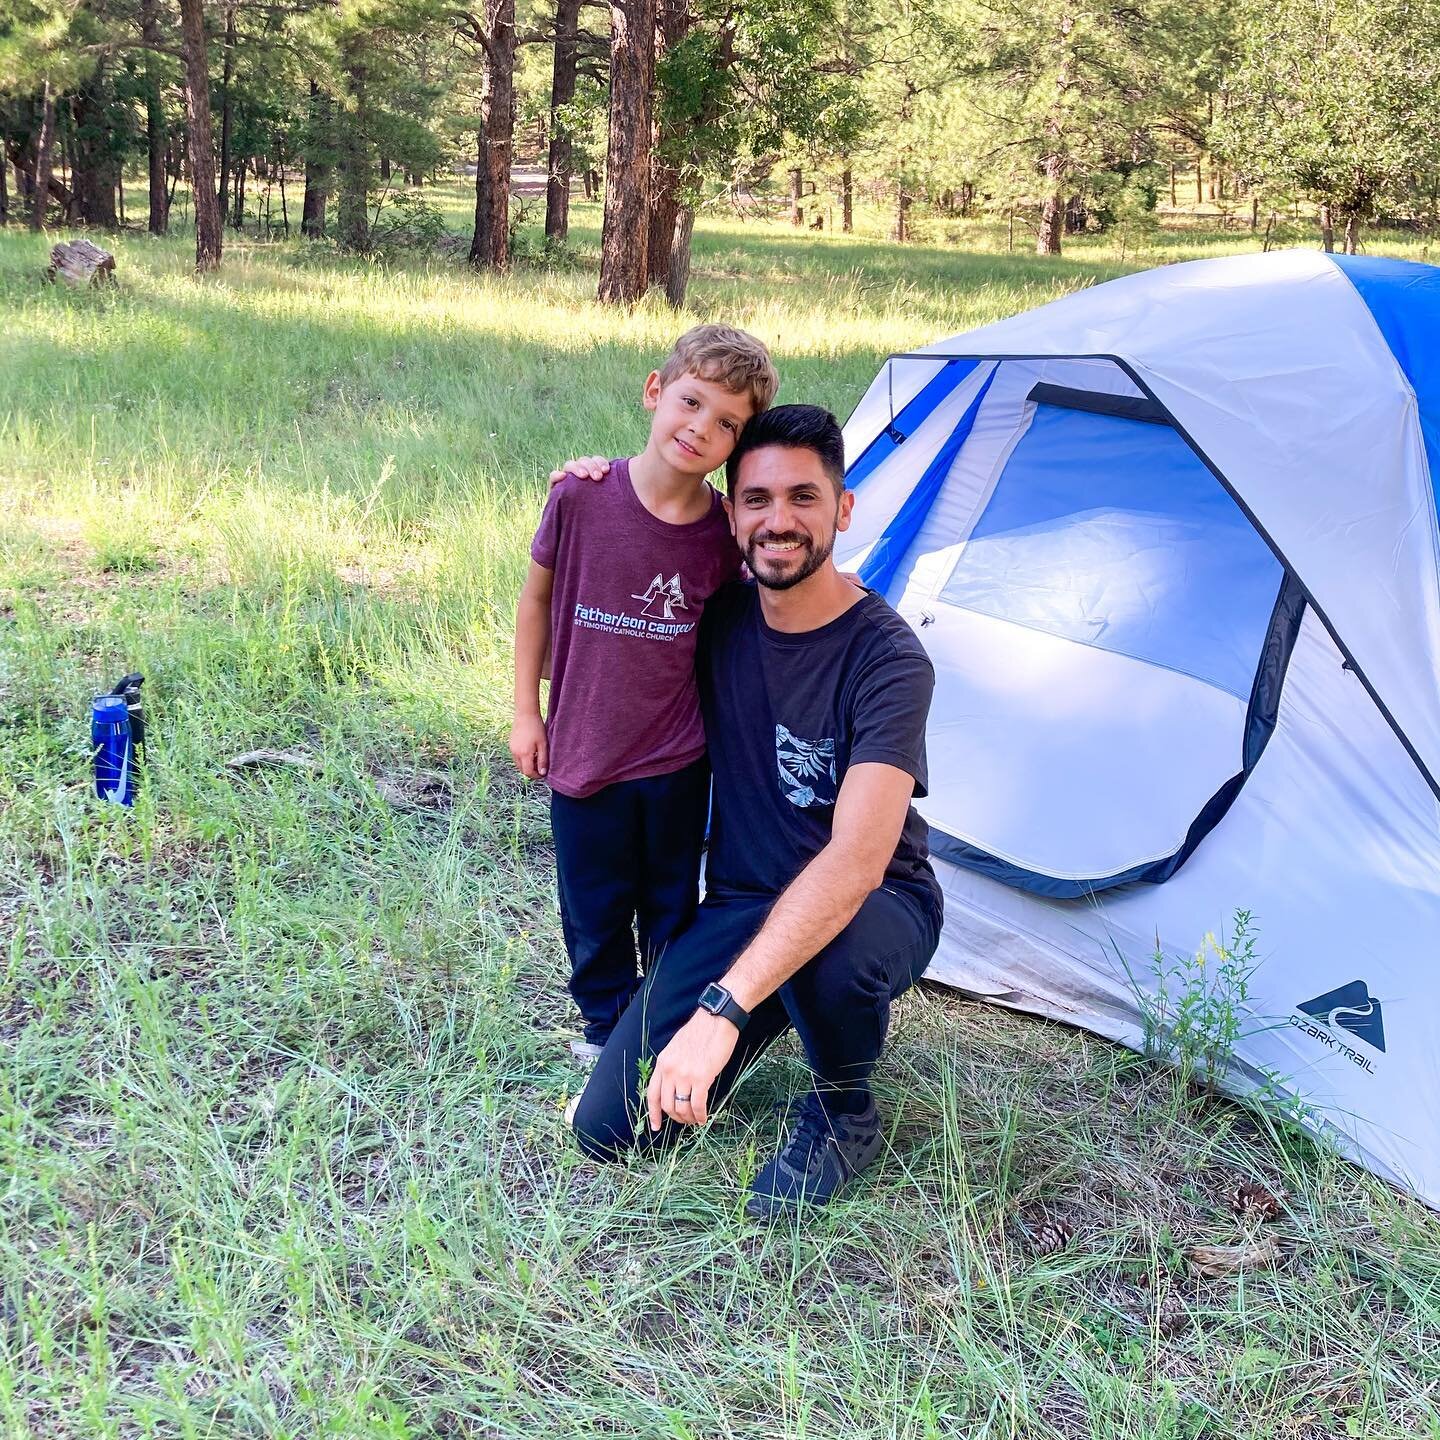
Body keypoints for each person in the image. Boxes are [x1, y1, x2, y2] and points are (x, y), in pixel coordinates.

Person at [570, 404, 943, 1219]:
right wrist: (596, 488)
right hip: (743, 903)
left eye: (805, 498)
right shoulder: (718, 615)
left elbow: (855, 862)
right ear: (730, 512)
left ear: (844, 510)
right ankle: (768, 1003)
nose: (780, 521)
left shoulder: (888, 660)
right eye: (758, 499)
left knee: (829, 956)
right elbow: (616, 583)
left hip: (876, 903)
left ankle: (843, 1113)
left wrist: (720, 1010)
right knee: (610, 1129)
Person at [509, 325, 779, 1067]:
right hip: (582, 749)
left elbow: (756, 617)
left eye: (727, 423)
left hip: (675, 762)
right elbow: (535, 603)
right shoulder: (581, 496)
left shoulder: (724, 538)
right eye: (691, 402)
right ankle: (604, 1030)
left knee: (668, 907)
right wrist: (526, 711)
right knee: (592, 907)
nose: (701, 428)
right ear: (655, 392)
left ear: (738, 445)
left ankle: (659, 1028)